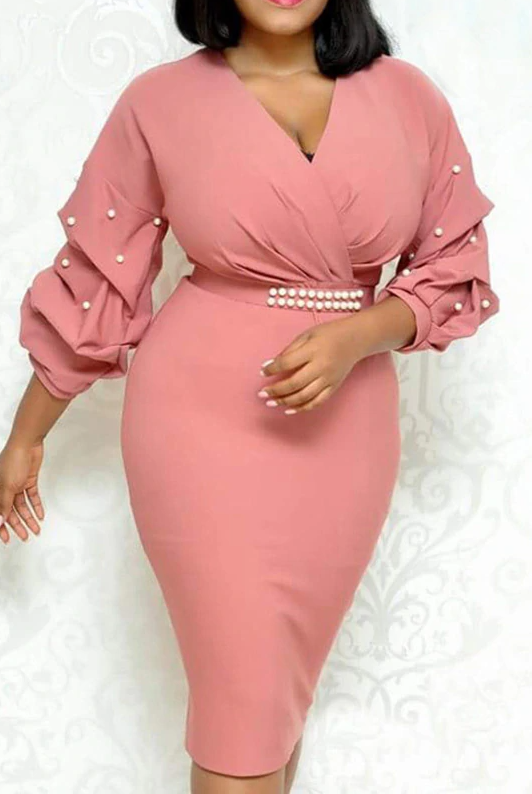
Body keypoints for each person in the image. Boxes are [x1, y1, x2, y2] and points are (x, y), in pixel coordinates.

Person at [0, 0, 500, 792]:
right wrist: (27, 435)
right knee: (243, 711)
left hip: (348, 441)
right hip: (199, 429)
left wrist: (360, 334)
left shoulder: (409, 98)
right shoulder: (159, 102)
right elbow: (96, 278)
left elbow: (455, 266)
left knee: (273, 707)